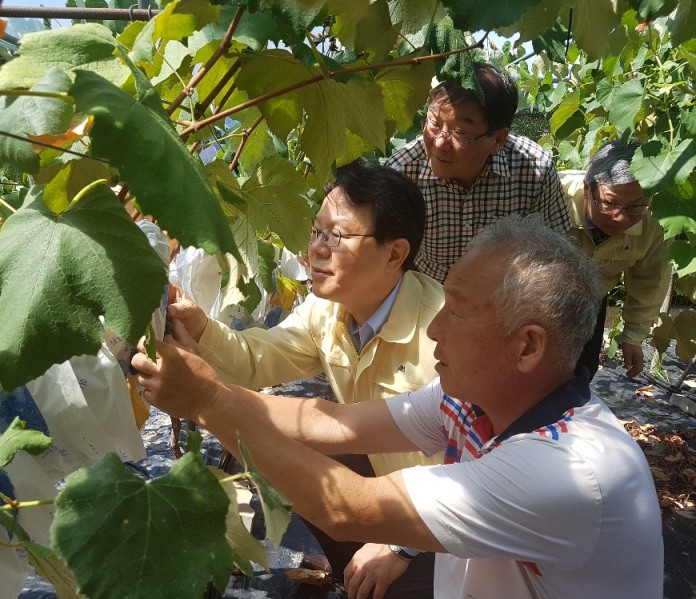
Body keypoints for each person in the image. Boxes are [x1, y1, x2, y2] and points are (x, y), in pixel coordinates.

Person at [133, 215, 664, 599]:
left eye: (455, 311)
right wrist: (209, 391)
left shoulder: (567, 472)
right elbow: (333, 423)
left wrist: (206, 400)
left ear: (527, 346)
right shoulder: (473, 402)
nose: (436, 327)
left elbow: (347, 508)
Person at [167, 158, 444, 596]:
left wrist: (399, 547)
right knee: (297, 437)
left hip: (444, 523)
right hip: (380, 484)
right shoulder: (328, 309)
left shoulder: (441, 339)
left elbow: (470, 470)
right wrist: (200, 326)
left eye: (337, 236)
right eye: (317, 231)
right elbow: (259, 357)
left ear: (395, 253)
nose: (316, 249)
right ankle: (353, 570)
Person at [386, 62, 571, 283]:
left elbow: (555, 253)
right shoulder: (402, 173)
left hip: (504, 293)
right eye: (434, 123)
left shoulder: (534, 170)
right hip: (428, 292)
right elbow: (385, 257)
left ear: (498, 139)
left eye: (460, 132)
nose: (439, 143)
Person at [560, 140, 672, 379]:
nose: (621, 218)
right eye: (610, 204)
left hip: (591, 301)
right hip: (530, 301)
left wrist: (632, 337)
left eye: (635, 207)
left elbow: (650, 282)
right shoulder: (555, 195)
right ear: (587, 190)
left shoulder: (656, 221)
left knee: (580, 373)